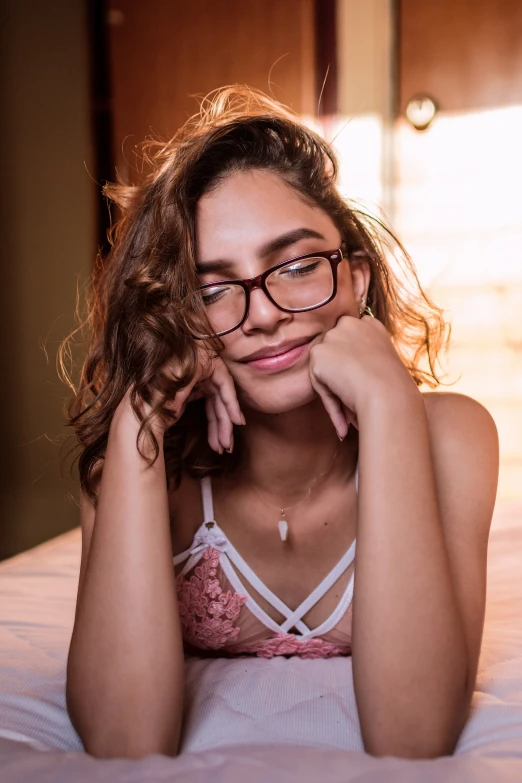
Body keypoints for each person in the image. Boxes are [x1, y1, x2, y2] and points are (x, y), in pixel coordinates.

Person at [61, 86, 499, 760]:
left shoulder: (455, 436)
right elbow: (125, 741)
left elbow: (414, 738)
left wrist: (388, 403)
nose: (263, 313)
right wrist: (139, 421)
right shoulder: (134, 455)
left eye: (294, 266)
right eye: (212, 289)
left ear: (355, 279)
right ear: (177, 315)